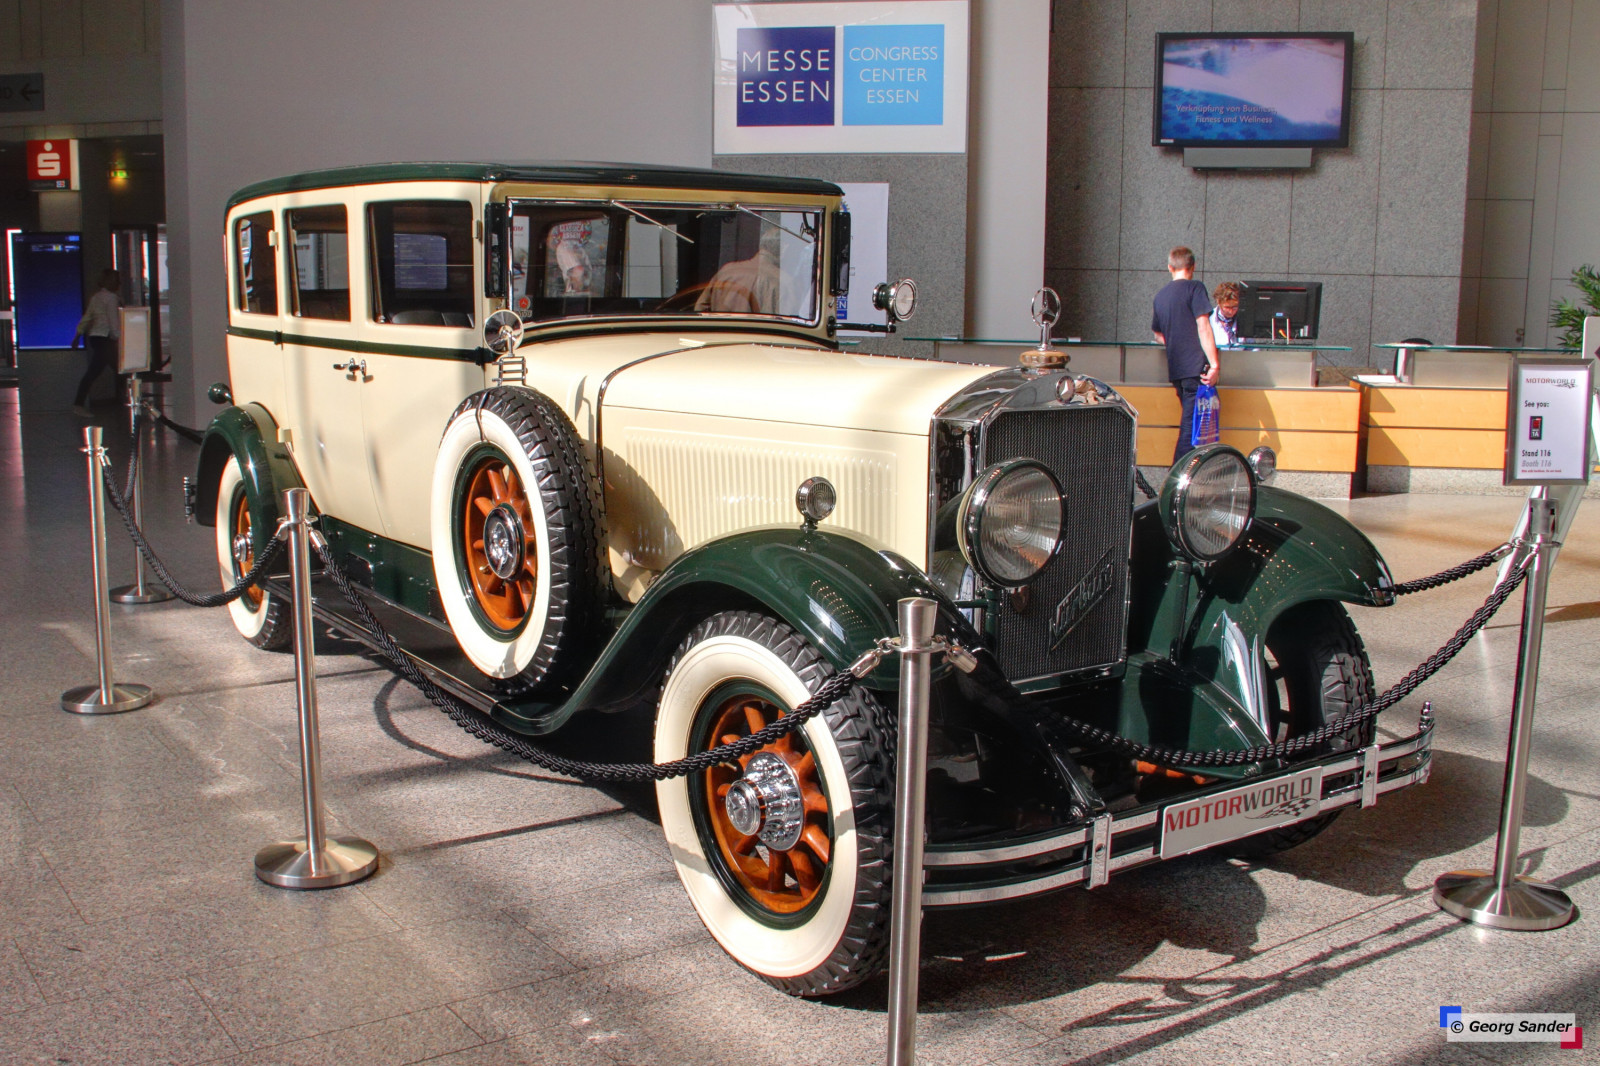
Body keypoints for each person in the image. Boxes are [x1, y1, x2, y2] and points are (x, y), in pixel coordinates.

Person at [1150, 247, 1220, 465]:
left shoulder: (1160, 296)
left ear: (1170, 267)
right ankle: (1177, 474)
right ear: (1193, 266)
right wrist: (1215, 364)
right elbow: (1203, 326)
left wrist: (1177, 341)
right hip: (1196, 368)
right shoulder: (1195, 288)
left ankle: (1188, 472)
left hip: (1177, 369)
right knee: (1192, 429)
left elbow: (1158, 335)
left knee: (1192, 424)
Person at [695, 224, 782, 314]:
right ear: (784, 248)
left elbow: (700, 309)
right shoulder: (780, 280)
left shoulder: (726, 271)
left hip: (721, 323)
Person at [70, 269, 121, 417]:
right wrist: (118, 337)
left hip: (96, 338)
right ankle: (78, 404)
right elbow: (113, 322)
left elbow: (87, 317)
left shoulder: (96, 297)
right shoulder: (112, 298)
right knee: (115, 370)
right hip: (106, 338)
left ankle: (79, 404)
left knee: (104, 370)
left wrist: (78, 335)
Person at [1209, 280, 1242, 349]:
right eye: (1227, 307)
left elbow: (1253, 348)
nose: (1231, 311)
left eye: (1235, 307)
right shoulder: (1209, 319)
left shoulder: (1244, 319)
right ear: (1219, 302)